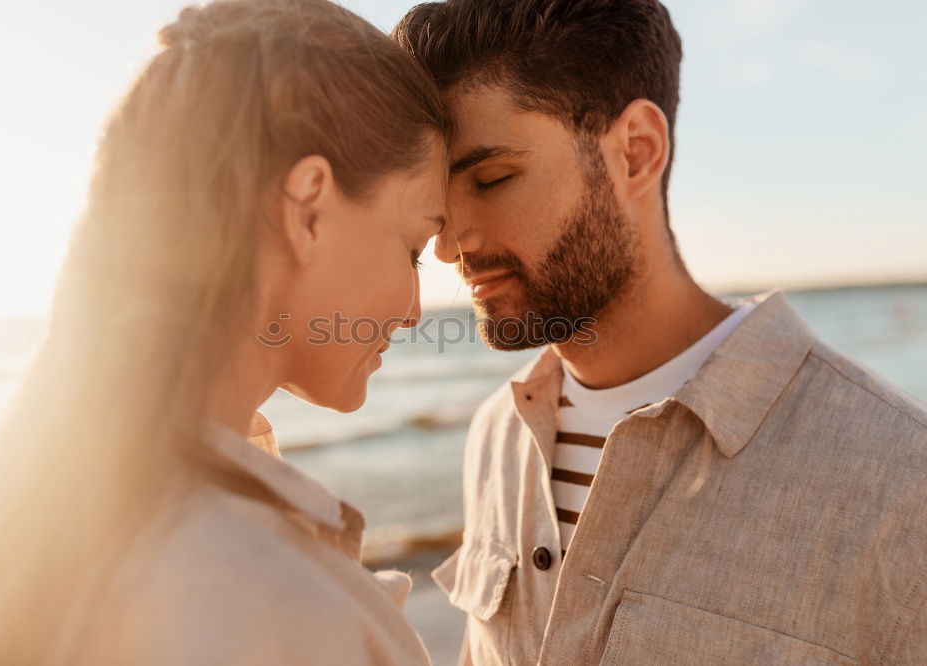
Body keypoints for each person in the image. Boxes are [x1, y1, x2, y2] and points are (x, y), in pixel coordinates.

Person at [393, 0, 927, 663]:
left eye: (492, 178)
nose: (451, 245)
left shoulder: (904, 481)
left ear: (634, 153)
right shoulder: (497, 436)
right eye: (439, 200)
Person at [0, 1, 450, 664]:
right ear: (308, 209)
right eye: (413, 246)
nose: (413, 310)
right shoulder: (265, 601)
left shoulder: (46, 512)